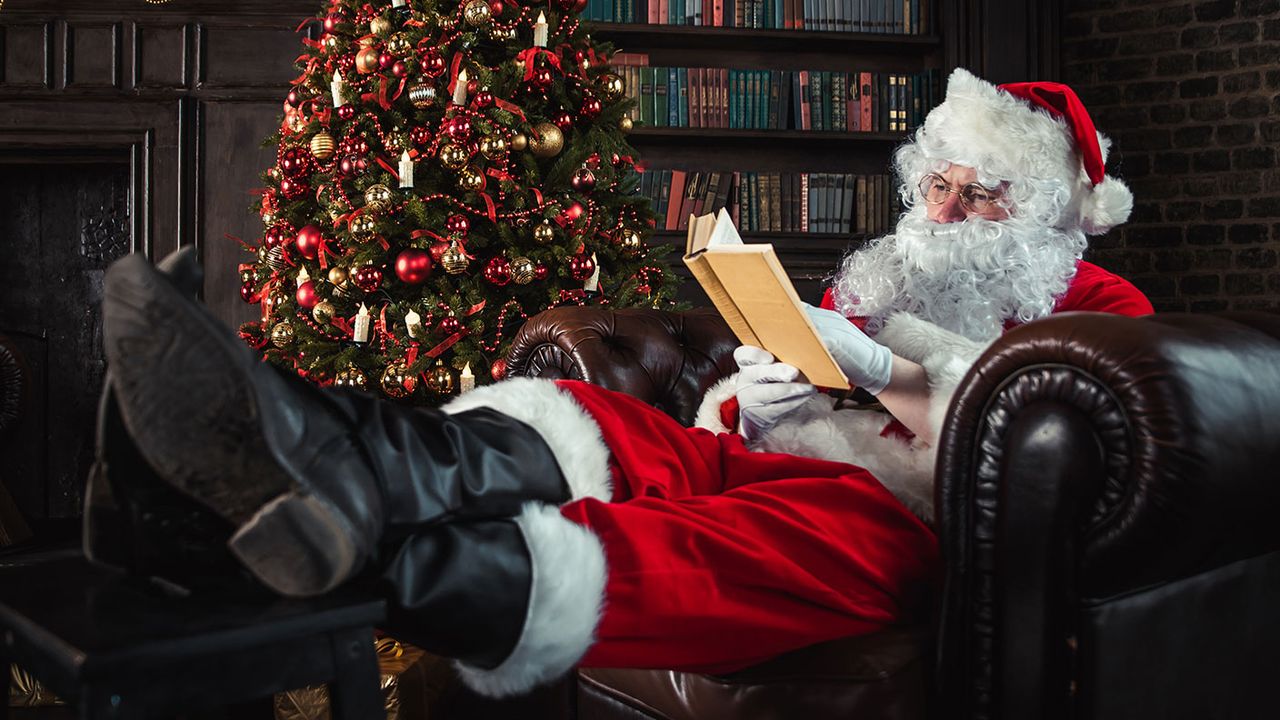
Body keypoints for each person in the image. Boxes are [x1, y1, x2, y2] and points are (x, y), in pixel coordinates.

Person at [88, 69, 1152, 699]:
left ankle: (275, 532)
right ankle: (295, 452)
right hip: (767, 453)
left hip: (911, 519)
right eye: (940, 186)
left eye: (985, 195)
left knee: (745, 542)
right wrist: (754, 390)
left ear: (1048, 215)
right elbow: (798, 375)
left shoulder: (1100, 308)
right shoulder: (888, 270)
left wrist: (886, 370)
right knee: (588, 420)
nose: (950, 212)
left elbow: (1051, 443)